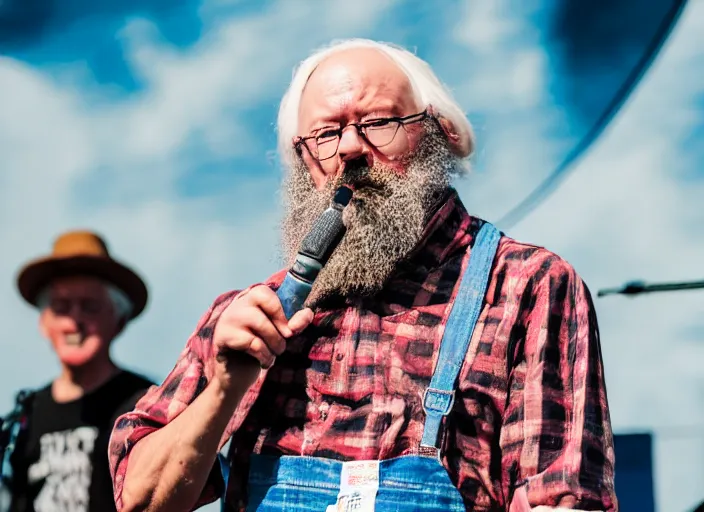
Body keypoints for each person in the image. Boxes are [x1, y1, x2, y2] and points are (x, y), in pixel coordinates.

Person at [108, 39, 618, 511]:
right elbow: (140, 501)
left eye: (377, 122)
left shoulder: (525, 286)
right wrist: (223, 389)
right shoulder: (249, 317)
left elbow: (564, 499)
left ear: (439, 133)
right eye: (326, 134)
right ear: (306, 162)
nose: (350, 148)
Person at [0, 230, 155, 512]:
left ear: (118, 322)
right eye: (61, 308)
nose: (74, 322)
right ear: (44, 324)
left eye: (89, 307)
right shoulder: (25, 414)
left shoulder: (145, 405)